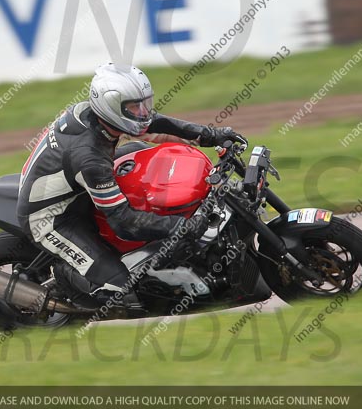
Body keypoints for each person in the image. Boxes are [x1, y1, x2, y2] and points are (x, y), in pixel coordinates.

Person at [16, 63, 246, 311]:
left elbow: (155, 123)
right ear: (111, 107)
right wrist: (182, 227)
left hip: (76, 188)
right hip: (52, 217)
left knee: (143, 153)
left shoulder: (95, 115)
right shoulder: (90, 156)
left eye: (144, 103)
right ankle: (63, 276)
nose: (144, 112)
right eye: (135, 107)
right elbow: (124, 223)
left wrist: (211, 135)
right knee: (119, 292)